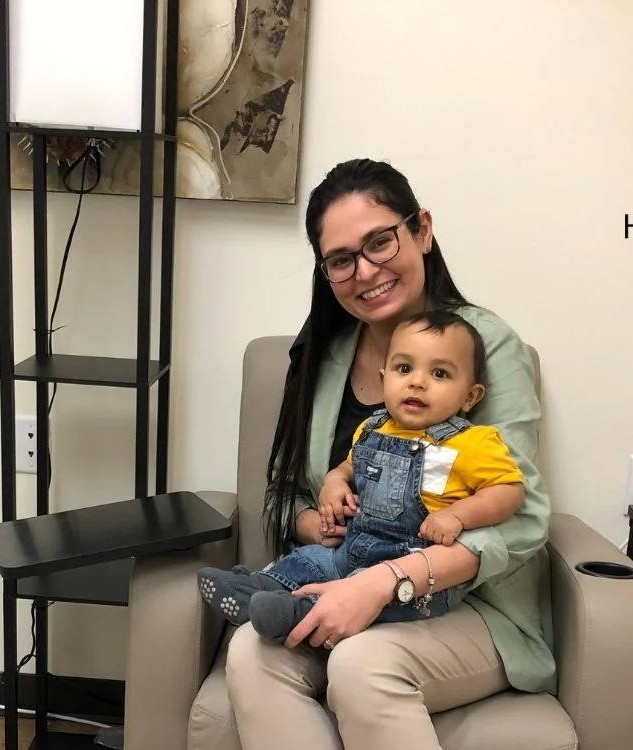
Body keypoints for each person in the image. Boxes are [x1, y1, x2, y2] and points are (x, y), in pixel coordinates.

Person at [204, 158, 555, 750]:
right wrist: (318, 517)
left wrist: (388, 583)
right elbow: (284, 492)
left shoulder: (484, 344)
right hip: (344, 573)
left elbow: (523, 518)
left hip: (465, 606)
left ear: (421, 230)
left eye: (379, 242)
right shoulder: (323, 354)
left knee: (362, 665)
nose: (365, 271)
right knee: (252, 651)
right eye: (342, 259)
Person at [196, 311, 524, 640]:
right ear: (384, 378)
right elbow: (348, 467)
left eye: (439, 373)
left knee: (360, 597)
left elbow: (508, 491)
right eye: (404, 368)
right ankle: (254, 590)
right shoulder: (372, 429)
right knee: (306, 559)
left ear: (470, 396)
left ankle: (299, 612)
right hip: (348, 552)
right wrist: (334, 482)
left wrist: (457, 515)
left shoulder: (472, 442)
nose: (417, 381)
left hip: (411, 575)